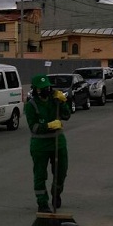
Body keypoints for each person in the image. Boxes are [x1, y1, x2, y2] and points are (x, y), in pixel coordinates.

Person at [24, 74, 71, 213]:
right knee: (40, 175)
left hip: (58, 143)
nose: (46, 90)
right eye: (42, 88)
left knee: (61, 172)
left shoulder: (55, 100)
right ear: (35, 90)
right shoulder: (31, 105)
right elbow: (34, 127)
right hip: (40, 146)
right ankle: (42, 202)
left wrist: (63, 102)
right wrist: (49, 125)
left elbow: (66, 115)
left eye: (48, 87)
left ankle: (56, 193)